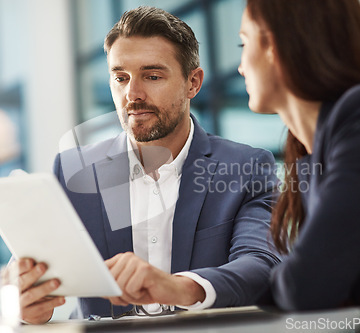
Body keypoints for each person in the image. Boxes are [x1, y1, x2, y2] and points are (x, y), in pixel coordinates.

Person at [17, 6, 281, 324]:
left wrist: (175, 286)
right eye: (120, 78)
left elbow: (261, 264)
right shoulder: (74, 170)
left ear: (193, 83)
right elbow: (26, 271)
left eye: (152, 76)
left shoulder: (246, 167)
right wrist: (23, 301)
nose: (133, 94)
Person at [238, 0, 360, 326]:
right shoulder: (311, 152)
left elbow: (306, 286)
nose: (240, 66)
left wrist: (287, 277)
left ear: (273, 45)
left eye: (244, 42)